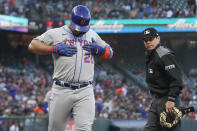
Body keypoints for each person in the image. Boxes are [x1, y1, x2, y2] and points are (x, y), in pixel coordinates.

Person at [28, 5, 113, 131]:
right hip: (61, 89)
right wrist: (53, 48)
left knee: (85, 128)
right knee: (56, 128)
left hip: (85, 90)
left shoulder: (92, 35)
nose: (80, 30)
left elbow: (110, 52)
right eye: (78, 27)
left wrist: (100, 50)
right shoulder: (56, 33)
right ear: (71, 20)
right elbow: (32, 45)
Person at [142, 28, 183, 131]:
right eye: (145, 40)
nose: (148, 42)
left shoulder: (164, 54)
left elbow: (176, 78)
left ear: (158, 38)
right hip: (156, 100)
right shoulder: (151, 54)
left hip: (167, 100)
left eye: (150, 39)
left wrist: (171, 99)